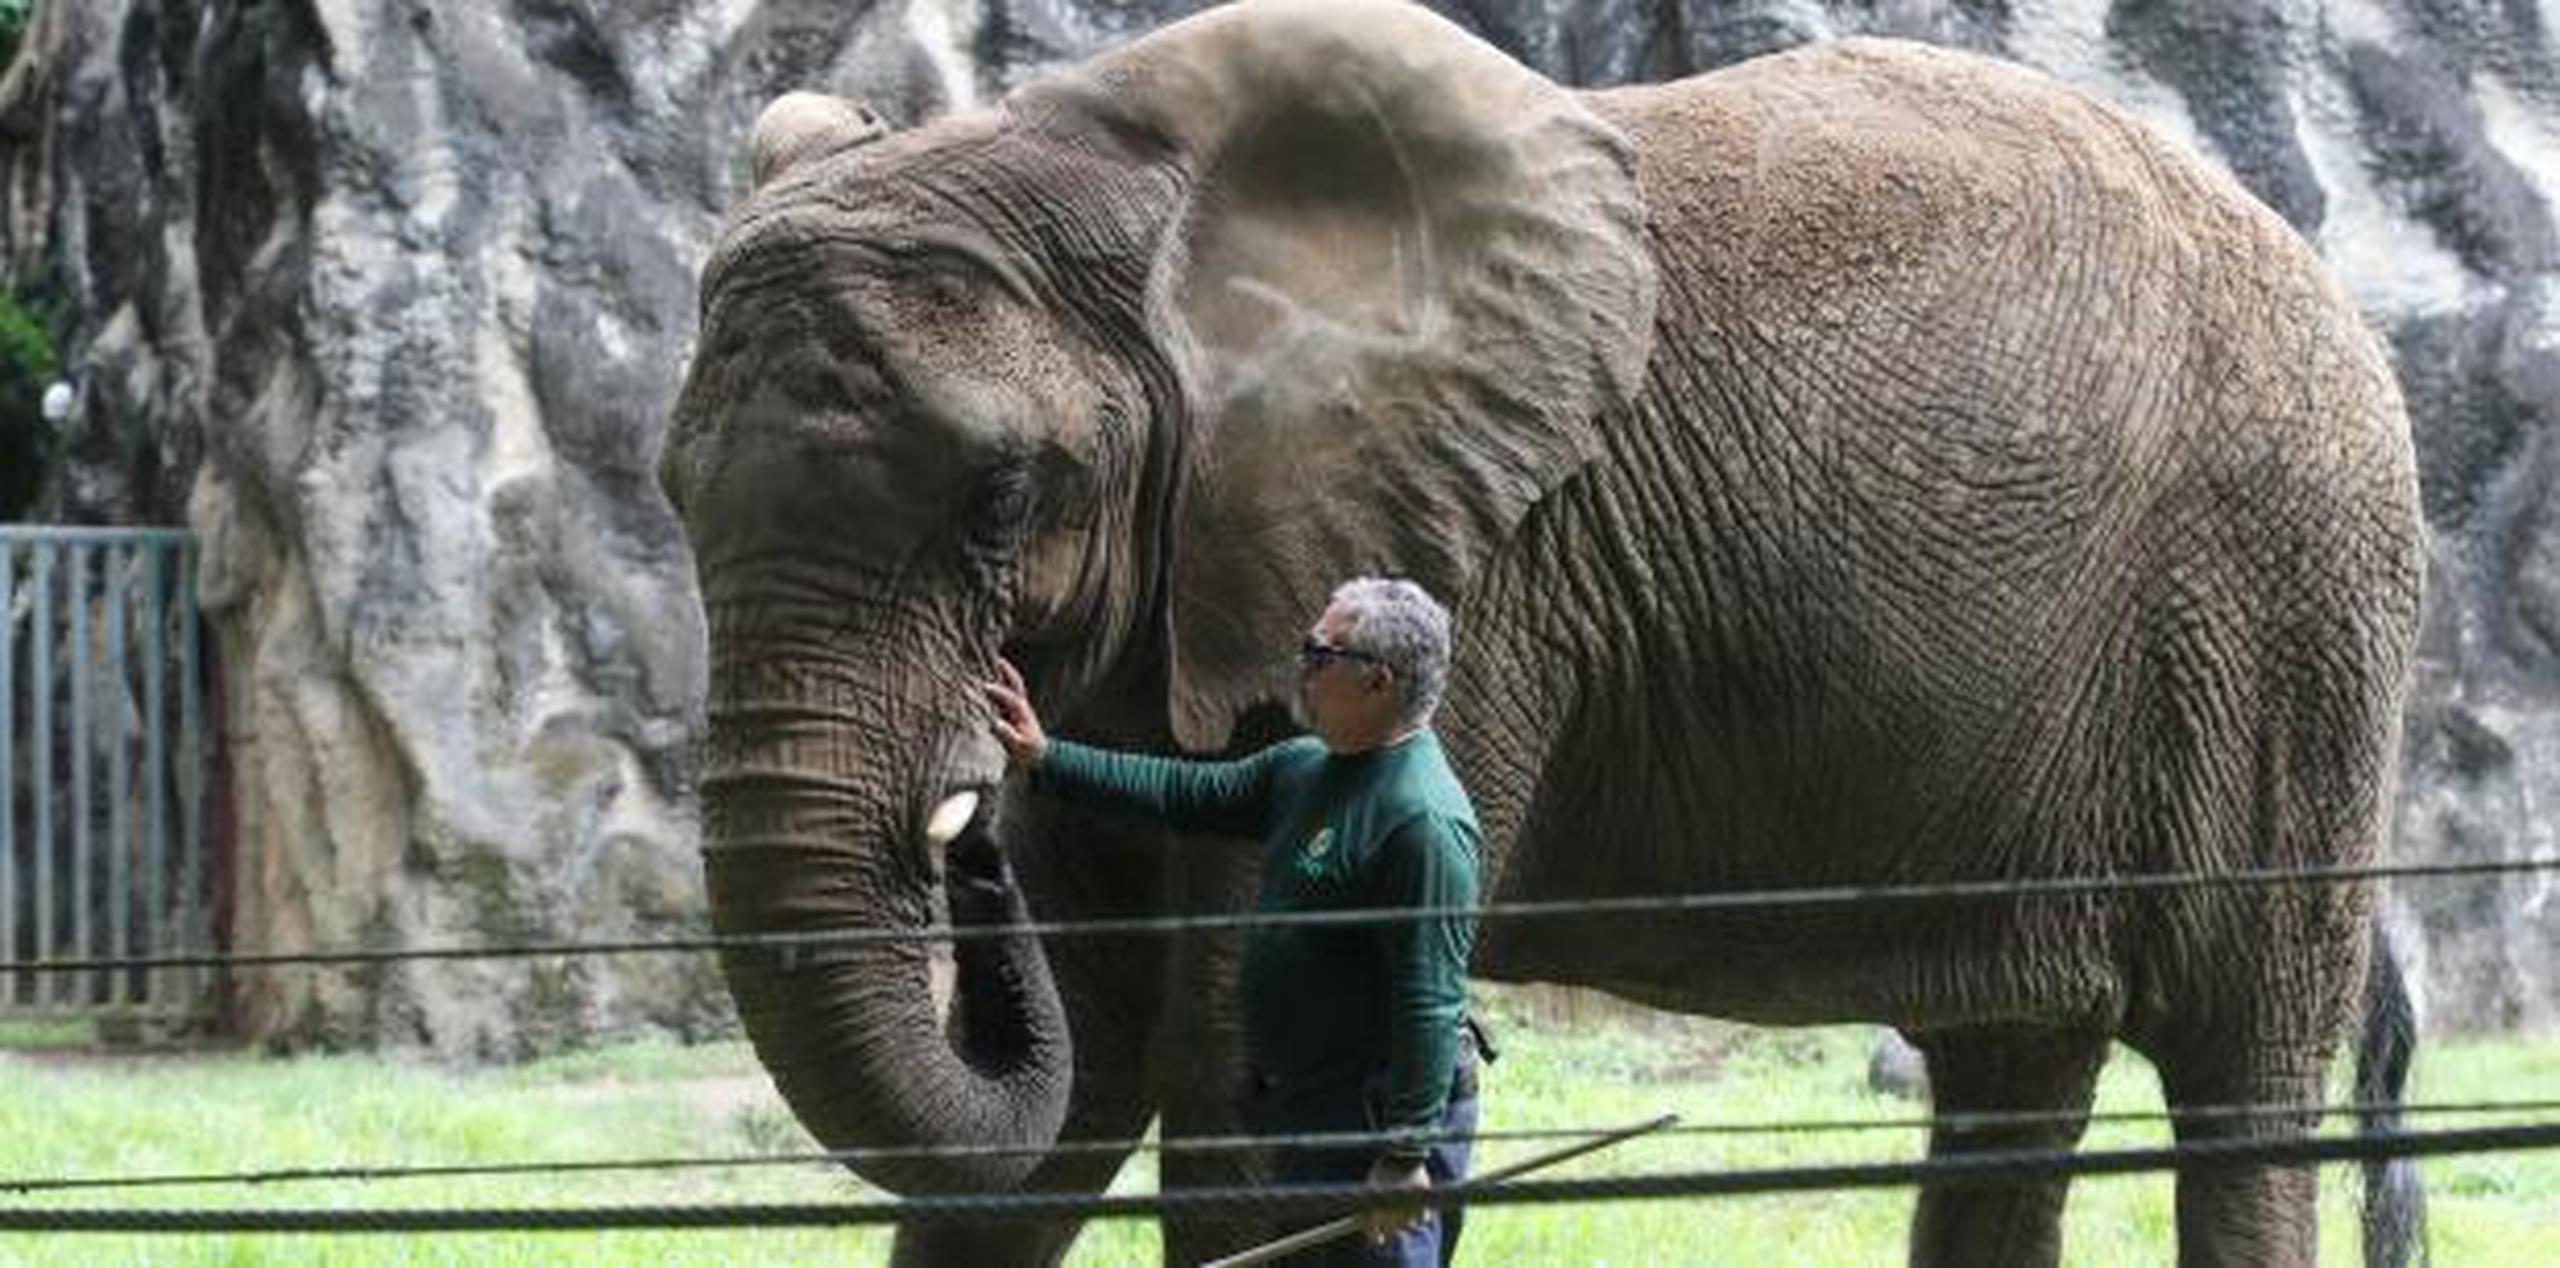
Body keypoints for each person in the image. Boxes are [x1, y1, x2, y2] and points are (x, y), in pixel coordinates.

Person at [985, 577, 1484, 1267]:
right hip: (1310, 1106)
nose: (1300, 669)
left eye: (1320, 654)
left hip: (1372, 1122)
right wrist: (1046, 757)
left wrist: (1404, 1156)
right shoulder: (1308, 768)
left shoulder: (1422, 821)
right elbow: (1185, 794)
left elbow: (1431, 1003)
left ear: (1377, 682)